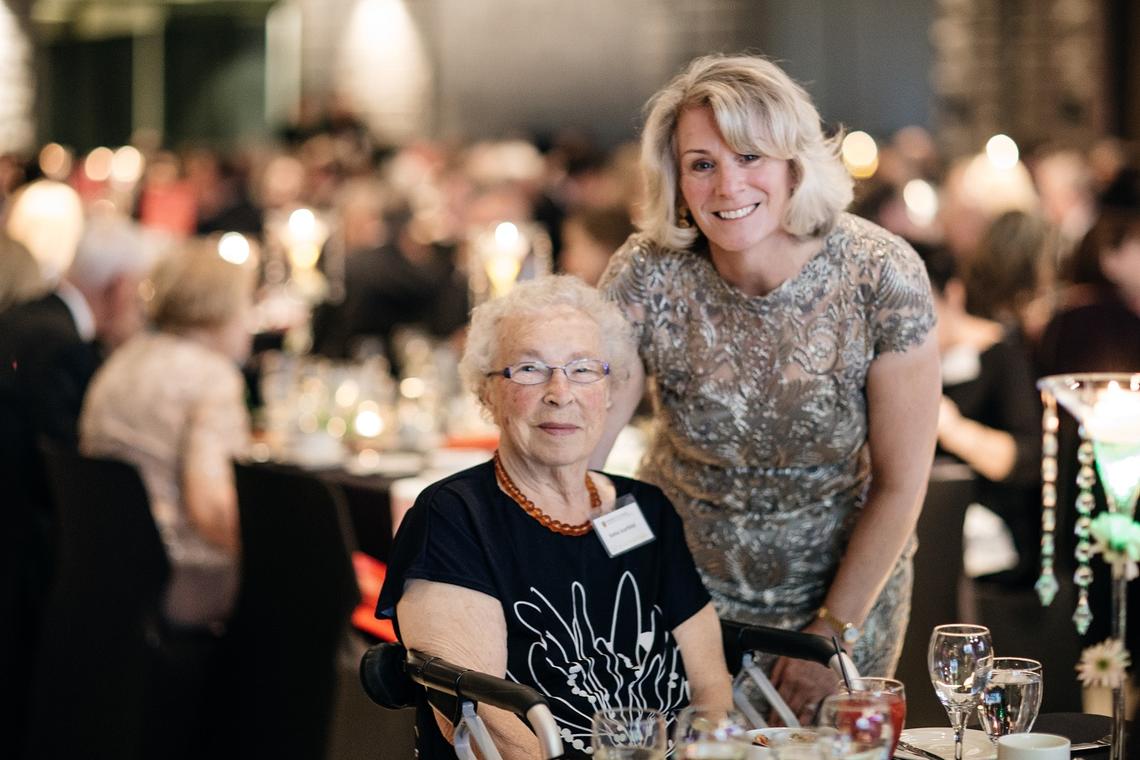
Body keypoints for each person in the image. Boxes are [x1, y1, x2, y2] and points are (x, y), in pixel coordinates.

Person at [595, 54, 940, 722]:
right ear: (677, 179)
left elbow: (902, 485)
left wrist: (831, 632)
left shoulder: (880, 274)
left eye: (750, 156)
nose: (728, 185)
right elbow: (587, 452)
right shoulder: (648, 273)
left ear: (794, 164)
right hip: (680, 600)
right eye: (702, 164)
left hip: (844, 594)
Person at [377, 276, 732, 759]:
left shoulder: (645, 509)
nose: (559, 392)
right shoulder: (454, 517)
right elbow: (484, 723)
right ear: (489, 394)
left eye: (583, 369)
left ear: (609, 391)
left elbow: (711, 686)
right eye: (529, 369)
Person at [0, 212, 154, 758]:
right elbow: (71, 462)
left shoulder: (29, 317)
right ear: (117, 287)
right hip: (27, 551)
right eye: (138, 291)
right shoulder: (61, 343)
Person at [81, 238, 254, 629]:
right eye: (246, 306)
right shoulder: (212, 378)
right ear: (220, 309)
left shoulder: (120, 361)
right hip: (180, 578)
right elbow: (211, 512)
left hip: (104, 566)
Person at [918, 243, 1042, 585]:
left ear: (952, 296)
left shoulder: (1002, 357)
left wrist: (953, 428)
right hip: (924, 531)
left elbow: (1026, 460)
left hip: (990, 545)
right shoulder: (906, 365)